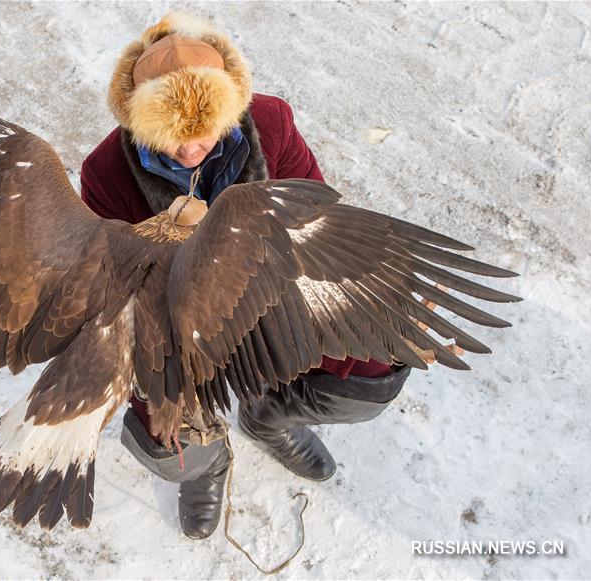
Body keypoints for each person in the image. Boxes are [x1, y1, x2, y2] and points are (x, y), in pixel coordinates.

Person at [80, 11, 411, 539]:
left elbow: (316, 213)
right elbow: (112, 283)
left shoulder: (272, 121)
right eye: (171, 137)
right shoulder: (106, 173)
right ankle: (207, 460)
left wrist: (372, 295)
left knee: (378, 365)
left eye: (204, 132)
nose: (191, 151)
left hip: (274, 291)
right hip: (178, 322)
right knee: (160, 435)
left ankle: (268, 415)